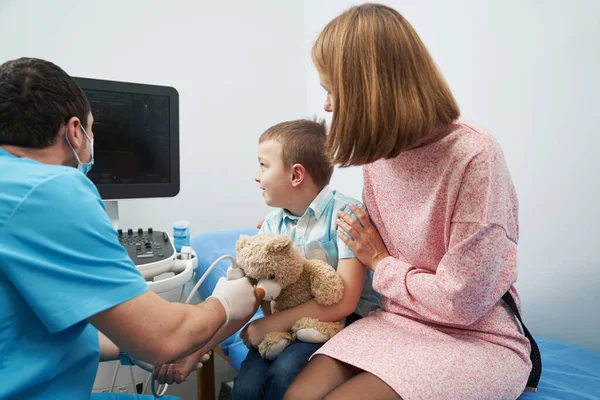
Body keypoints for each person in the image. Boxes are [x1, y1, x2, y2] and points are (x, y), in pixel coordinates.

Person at [284, 4, 536, 400]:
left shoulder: (474, 155)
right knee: (296, 395)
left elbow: (461, 302)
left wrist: (381, 264)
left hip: (476, 337)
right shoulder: (380, 154)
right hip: (399, 320)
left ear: (369, 90)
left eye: (331, 90)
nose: (328, 106)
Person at [0, 57, 259, 400]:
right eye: (94, 130)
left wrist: (128, 346)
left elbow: (24, 328)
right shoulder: (50, 189)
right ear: (75, 131)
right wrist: (225, 304)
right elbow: (163, 337)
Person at [153, 118, 381, 399]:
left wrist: (271, 323)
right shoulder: (273, 224)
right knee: (247, 386)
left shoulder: (345, 216)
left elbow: (345, 302)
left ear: (296, 175)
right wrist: (196, 351)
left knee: (283, 374)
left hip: (338, 323)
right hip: (289, 326)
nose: (256, 176)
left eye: (263, 165)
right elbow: (246, 299)